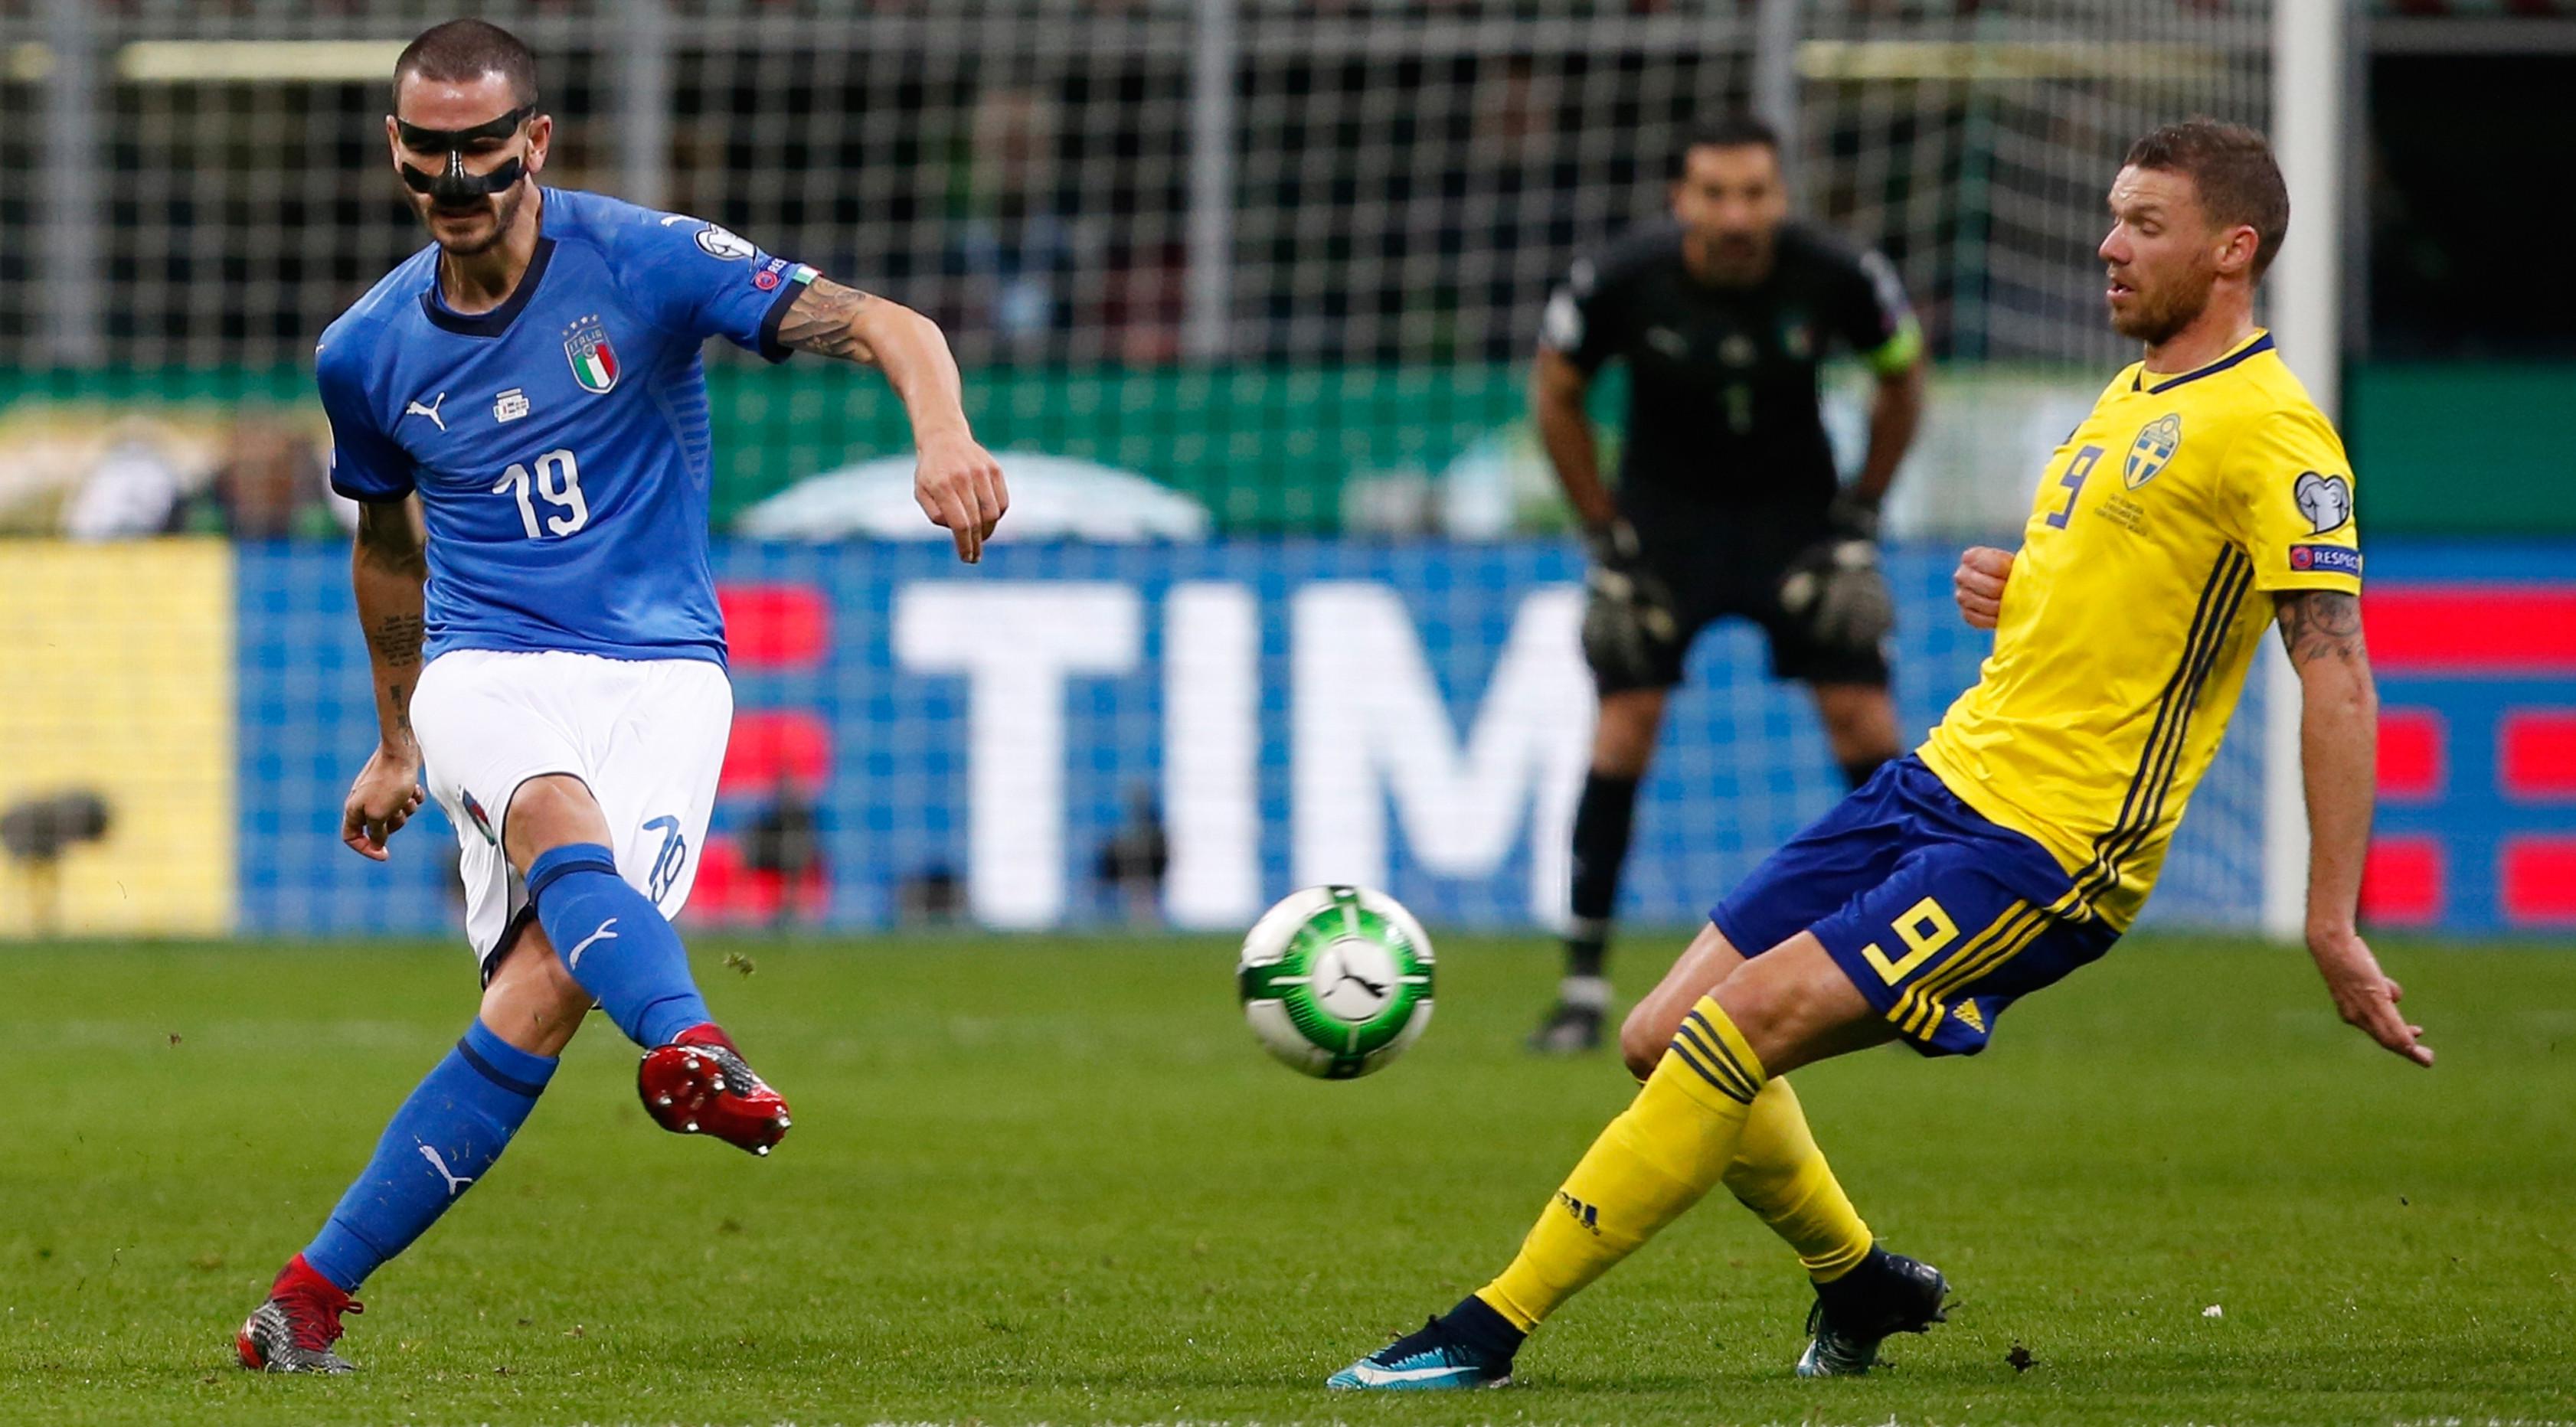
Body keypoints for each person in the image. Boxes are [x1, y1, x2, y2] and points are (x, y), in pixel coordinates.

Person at [1331, 117, 2426, 1391]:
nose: (2104, 245)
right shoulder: (2133, 394)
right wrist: (2025, 584)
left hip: (2046, 846)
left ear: (2231, 249)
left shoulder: (2274, 433)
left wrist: (2329, 915)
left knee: (1727, 1033)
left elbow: (2332, 663)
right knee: (1659, 1029)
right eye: (2111, 215)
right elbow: (2140, 592)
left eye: (2142, 225)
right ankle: (1856, 1278)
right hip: (1936, 781)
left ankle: (1484, 1327)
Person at [236, 19, 1007, 1373]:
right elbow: (386, 543)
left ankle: (301, 1303)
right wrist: (396, 733)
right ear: (396, 153)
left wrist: (940, 431)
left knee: (539, 987)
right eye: (431, 151)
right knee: (550, 817)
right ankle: (692, 1042)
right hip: (488, 660)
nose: (458, 176)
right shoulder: (363, 350)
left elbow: (889, 322)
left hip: (664, 675)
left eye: (484, 146)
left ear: (533, 142)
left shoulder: (644, 260)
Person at [1529, 114, 1927, 1053]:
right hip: (1664, 526)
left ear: (1781, 196)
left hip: (1797, 521)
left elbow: (1902, 379)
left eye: (1754, 193)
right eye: (1715, 193)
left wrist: (1861, 520)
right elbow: (1553, 388)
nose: (1737, 213)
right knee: (1624, 728)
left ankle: (1921, 965)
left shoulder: (1838, 272)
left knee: (1865, 725)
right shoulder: (1621, 277)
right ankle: (1583, 985)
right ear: (1681, 199)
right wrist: (1603, 535)